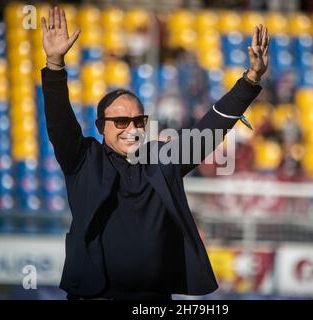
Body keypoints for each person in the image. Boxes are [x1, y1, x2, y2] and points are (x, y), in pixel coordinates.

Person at [40, 6, 270, 300]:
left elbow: (208, 130)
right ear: (101, 126)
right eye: (120, 121)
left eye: (139, 121)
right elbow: (59, 121)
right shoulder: (84, 159)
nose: (131, 128)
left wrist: (250, 80)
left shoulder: (161, 161)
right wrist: (54, 65)